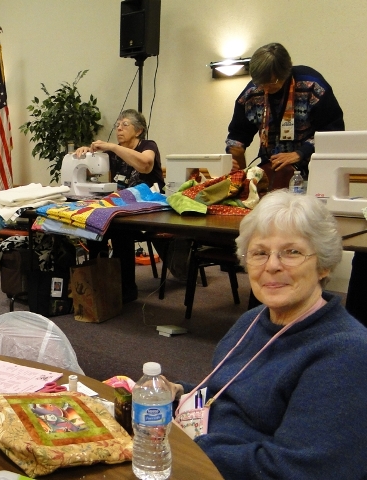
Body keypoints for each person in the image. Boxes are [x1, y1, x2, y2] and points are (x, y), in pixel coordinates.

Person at [161, 190, 367, 480]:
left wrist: (188, 448)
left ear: (324, 265)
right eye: (259, 253)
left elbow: (301, 470)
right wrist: (181, 393)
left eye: (292, 252)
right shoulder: (254, 320)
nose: (272, 265)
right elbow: (234, 394)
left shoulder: (345, 354)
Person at [75, 109, 164, 302]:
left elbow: (145, 165)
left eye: (125, 125)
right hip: (123, 206)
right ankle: (99, 282)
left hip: (149, 206)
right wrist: (85, 153)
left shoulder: (148, 145)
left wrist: (112, 147)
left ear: (138, 130)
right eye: (117, 125)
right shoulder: (112, 152)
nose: (119, 129)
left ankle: (127, 289)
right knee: (93, 227)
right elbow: (93, 170)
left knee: (120, 230)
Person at [226, 42, 344, 179]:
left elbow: (332, 133)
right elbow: (238, 134)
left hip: (314, 171)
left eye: (271, 83)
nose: (265, 89)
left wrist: (300, 153)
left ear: (286, 72)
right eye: (260, 84)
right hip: (271, 172)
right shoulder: (252, 93)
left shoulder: (313, 87)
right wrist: (234, 152)